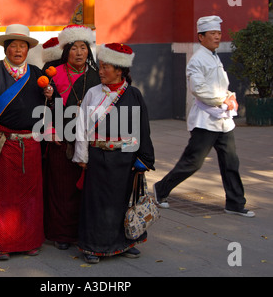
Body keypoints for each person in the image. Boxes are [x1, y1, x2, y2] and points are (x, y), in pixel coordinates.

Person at [153, 16, 255, 218]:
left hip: (222, 120)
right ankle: (161, 189)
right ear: (201, 37)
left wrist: (228, 96)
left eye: (219, 33)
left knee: (231, 162)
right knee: (193, 162)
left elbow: (218, 85)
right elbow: (198, 89)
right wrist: (222, 100)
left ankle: (235, 203)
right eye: (213, 34)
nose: (217, 37)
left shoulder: (213, 56)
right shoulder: (197, 60)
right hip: (205, 120)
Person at [0, 24, 54, 260]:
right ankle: (0, 243)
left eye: (22, 46)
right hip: (0, 144)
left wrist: (50, 95)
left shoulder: (37, 74)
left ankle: (28, 241)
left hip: (30, 144)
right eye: (14, 46)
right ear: (6, 49)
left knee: (30, 196)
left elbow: (47, 109)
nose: (18, 50)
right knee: (0, 195)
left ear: (28, 50)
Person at [72, 43, 155, 263]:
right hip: (98, 157)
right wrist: (82, 155)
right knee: (96, 203)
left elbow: (142, 129)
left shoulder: (133, 95)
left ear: (120, 70)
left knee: (121, 202)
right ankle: (92, 247)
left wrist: (143, 159)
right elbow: (81, 126)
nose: (100, 71)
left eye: (105, 67)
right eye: (100, 66)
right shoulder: (93, 93)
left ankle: (124, 243)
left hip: (124, 159)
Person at [43, 25, 100, 250]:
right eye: (74, 48)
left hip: (90, 140)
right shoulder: (53, 72)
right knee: (61, 188)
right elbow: (42, 106)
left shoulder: (97, 75)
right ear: (66, 50)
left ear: (88, 51)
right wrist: (50, 130)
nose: (78, 52)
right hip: (61, 140)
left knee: (85, 189)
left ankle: (83, 231)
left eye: (83, 47)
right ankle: (61, 234)